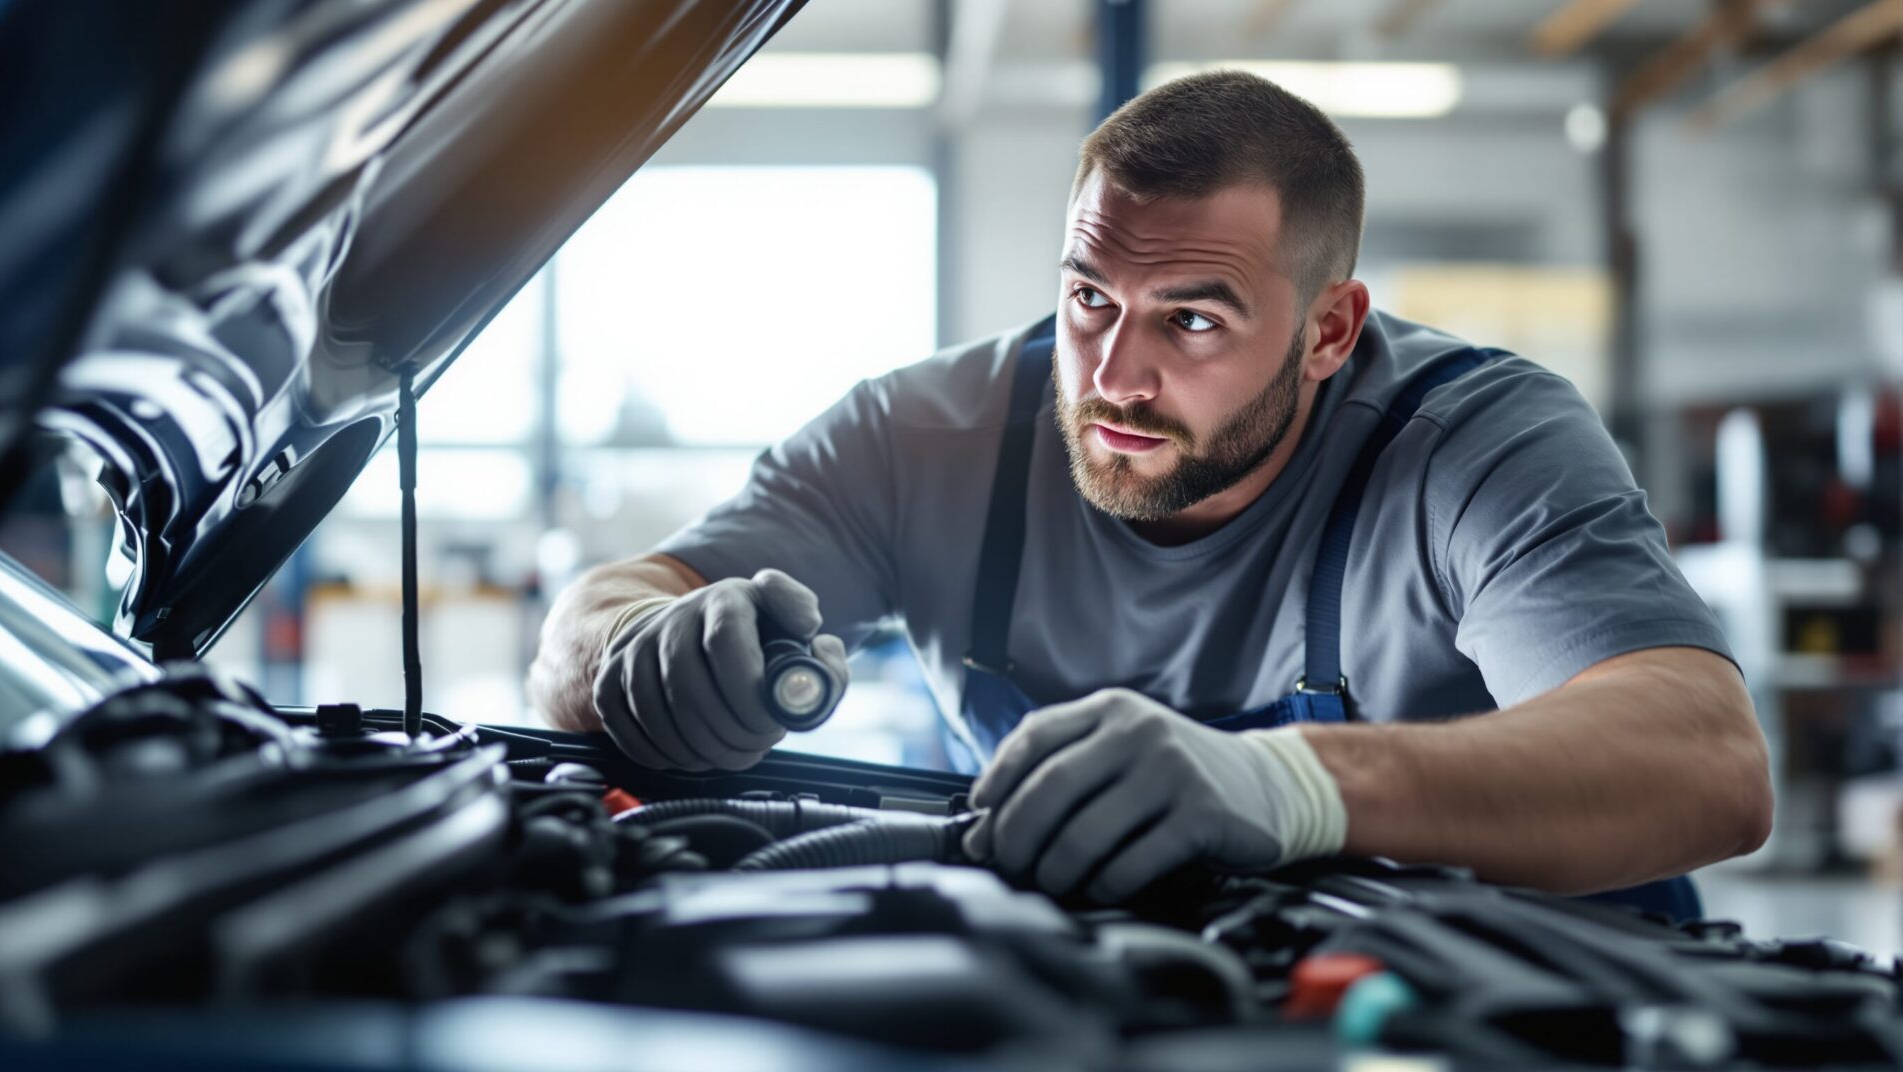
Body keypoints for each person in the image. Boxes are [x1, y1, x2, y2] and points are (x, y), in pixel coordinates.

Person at [527, 71, 1771, 917]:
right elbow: (606, 611)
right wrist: (643, 649)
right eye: (1089, 299)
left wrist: (1293, 785)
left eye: (1193, 317)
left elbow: (1704, 758)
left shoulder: (1477, 441)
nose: (1115, 376)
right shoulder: (928, 437)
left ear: (1331, 331)